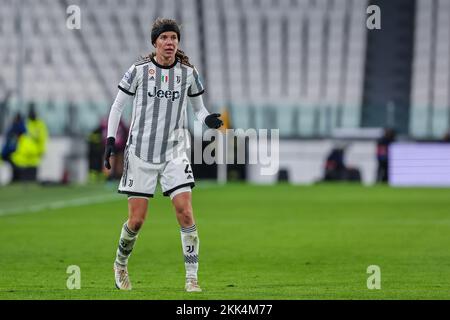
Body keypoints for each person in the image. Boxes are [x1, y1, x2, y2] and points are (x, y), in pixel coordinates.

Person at [104, 18, 223, 292]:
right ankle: (120, 263)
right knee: (137, 221)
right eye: (165, 38)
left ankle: (192, 278)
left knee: (185, 212)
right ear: (155, 42)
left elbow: (199, 110)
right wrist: (110, 141)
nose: (170, 42)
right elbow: (117, 106)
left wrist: (209, 120)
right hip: (141, 154)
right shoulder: (138, 71)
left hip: (174, 152)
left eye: (174, 38)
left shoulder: (188, 73)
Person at [10, 103, 48, 181]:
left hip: (33, 154)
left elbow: (42, 139)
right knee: (21, 175)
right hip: (23, 154)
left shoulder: (39, 125)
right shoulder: (26, 123)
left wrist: (42, 151)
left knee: (31, 175)